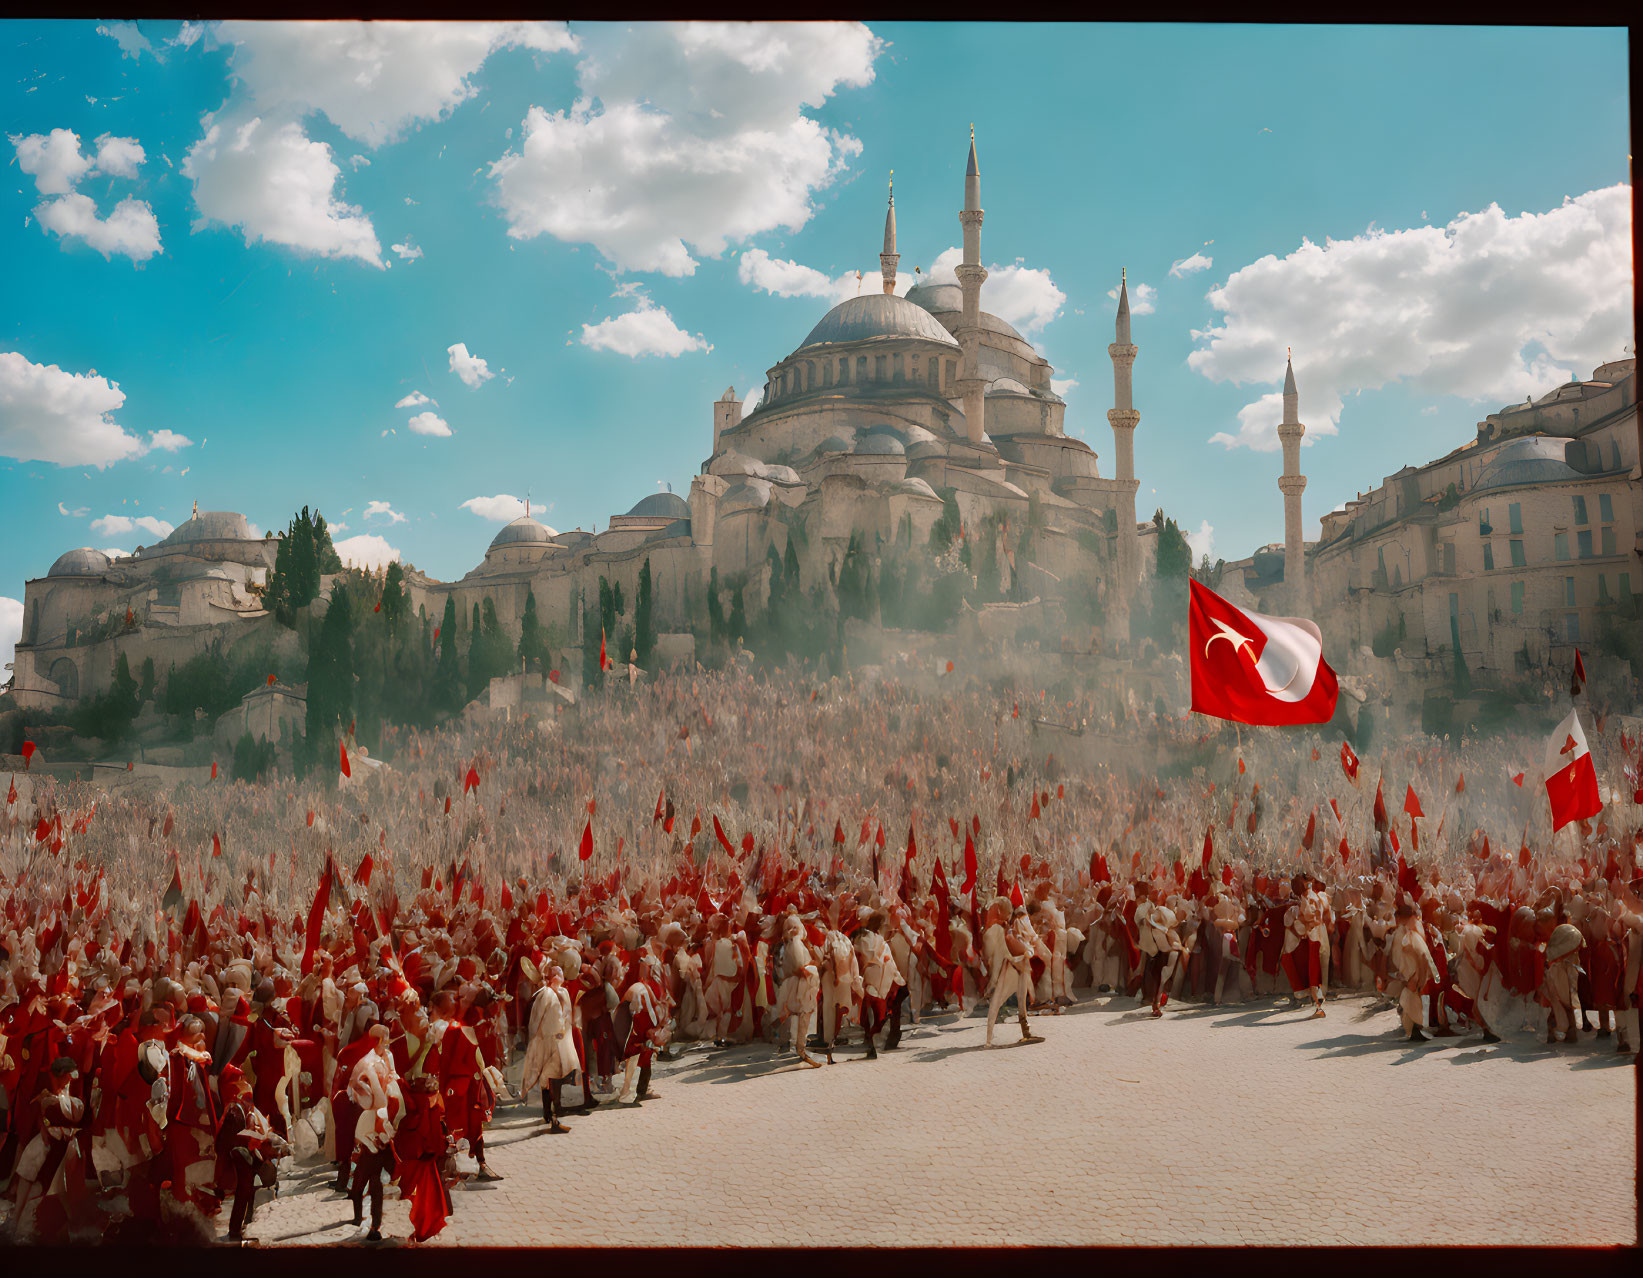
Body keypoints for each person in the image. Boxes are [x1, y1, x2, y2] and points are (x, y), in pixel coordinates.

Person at [7, 1056, 88, 1243]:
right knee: (30, 1162)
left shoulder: (73, 1094)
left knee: (61, 1186)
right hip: (50, 1138)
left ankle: (70, 1222)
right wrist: (44, 1126)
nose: (70, 1077)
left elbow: (76, 1117)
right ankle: (16, 1220)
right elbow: (42, 1117)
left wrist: (57, 1103)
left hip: (67, 1142)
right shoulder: (47, 1093)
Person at [346, 1024, 403, 1240]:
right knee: (362, 1176)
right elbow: (353, 1087)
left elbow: (394, 1077)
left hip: (385, 1119)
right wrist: (369, 1095)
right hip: (369, 1122)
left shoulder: (387, 1057)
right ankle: (360, 1217)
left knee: (375, 1178)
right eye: (384, 1039)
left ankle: (375, 1225)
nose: (386, 1043)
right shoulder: (366, 1062)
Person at [393, 1073, 453, 1243]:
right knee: (415, 1185)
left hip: (419, 1147)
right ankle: (414, 1225)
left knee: (419, 1185)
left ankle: (418, 1225)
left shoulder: (427, 1100)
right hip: (417, 1146)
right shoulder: (422, 1099)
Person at [520, 965, 579, 1133]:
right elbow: (536, 1019)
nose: (561, 974)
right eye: (557, 973)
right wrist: (535, 1041)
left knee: (556, 1077)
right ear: (552, 976)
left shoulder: (564, 993)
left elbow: (567, 1016)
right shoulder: (545, 994)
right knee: (549, 1078)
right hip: (547, 1041)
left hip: (562, 1042)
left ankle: (551, 1115)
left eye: (560, 972)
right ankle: (552, 1117)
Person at [983, 899, 1043, 1047]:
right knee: (999, 1001)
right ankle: (989, 1039)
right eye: (1009, 912)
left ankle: (1024, 1031)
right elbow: (1007, 944)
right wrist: (1025, 950)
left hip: (1013, 965)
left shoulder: (1000, 926)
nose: (1010, 915)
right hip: (1007, 967)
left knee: (1019, 999)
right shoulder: (999, 928)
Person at [1389, 901, 1439, 1042]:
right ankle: (1416, 1029)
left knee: (1411, 1000)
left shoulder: (1411, 935)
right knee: (1411, 1001)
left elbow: (1421, 956)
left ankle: (1417, 1029)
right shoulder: (1405, 932)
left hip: (1414, 974)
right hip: (1410, 973)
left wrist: (1419, 977)